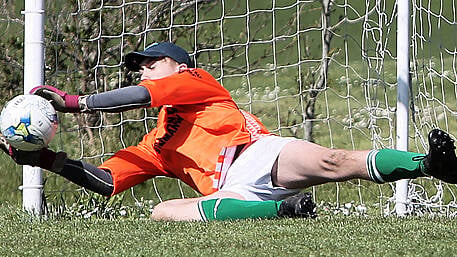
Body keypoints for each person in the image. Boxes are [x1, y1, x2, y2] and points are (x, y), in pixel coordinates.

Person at [1, 42, 457, 221]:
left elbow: (141, 96)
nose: (144, 71)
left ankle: (431, 164)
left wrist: (74, 103)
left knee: (336, 162)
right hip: (225, 193)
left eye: (150, 63)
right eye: (139, 67)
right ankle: (286, 212)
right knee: (162, 213)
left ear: (179, 66)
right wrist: (44, 160)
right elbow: (105, 180)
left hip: (257, 154)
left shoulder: (196, 82)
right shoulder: (154, 145)